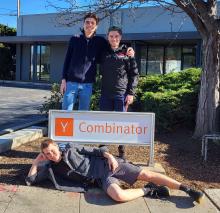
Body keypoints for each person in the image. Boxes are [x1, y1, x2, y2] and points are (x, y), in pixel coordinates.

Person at [26, 139, 204, 204]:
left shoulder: (71, 148)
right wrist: (36, 162)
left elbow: (95, 150)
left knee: (146, 174)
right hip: (101, 180)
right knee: (118, 196)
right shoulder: (51, 168)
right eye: (46, 154)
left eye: (52, 151)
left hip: (109, 165)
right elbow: (30, 180)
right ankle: (150, 190)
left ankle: (187, 189)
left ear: (57, 147)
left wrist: (110, 156)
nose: (50, 155)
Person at [60, 13, 134, 111]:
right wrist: (63, 79)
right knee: (66, 112)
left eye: (92, 23)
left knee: (83, 114)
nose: (89, 25)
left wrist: (128, 48)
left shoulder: (100, 41)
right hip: (71, 83)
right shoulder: (74, 39)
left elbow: (115, 45)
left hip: (88, 84)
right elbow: (67, 60)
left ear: (96, 26)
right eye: (87, 22)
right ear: (83, 24)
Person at [99, 26, 139, 159]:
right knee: (104, 123)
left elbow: (134, 74)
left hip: (121, 95)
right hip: (105, 94)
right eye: (111, 36)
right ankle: (103, 150)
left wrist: (131, 93)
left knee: (121, 124)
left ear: (120, 37)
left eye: (116, 36)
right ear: (107, 37)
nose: (114, 38)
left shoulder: (127, 53)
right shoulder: (103, 52)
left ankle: (122, 151)